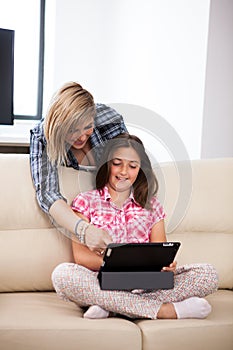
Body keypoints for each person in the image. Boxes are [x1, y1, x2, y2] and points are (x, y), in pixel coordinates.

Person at [51, 134, 218, 320]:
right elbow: (81, 257)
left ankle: (111, 306)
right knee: (63, 275)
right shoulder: (85, 202)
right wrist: (121, 266)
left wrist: (166, 267)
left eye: (132, 166)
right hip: (102, 279)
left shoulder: (152, 206)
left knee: (207, 274)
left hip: (146, 283)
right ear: (107, 164)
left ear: (140, 169)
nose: (124, 171)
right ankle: (165, 311)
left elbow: (160, 250)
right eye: (117, 163)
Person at [30, 81, 128, 249]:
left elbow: (130, 165)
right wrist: (84, 230)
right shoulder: (42, 135)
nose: (81, 137)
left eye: (88, 127)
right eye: (72, 130)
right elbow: (48, 194)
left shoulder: (110, 120)